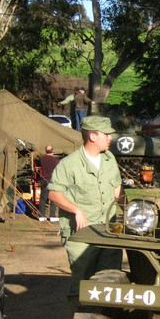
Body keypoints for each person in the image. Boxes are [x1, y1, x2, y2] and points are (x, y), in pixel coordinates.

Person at [47, 116, 123, 303]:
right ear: (93, 136)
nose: (110, 138)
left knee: (110, 283)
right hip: (82, 235)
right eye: (106, 134)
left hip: (108, 231)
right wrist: (76, 210)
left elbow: (117, 189)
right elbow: (54, 194)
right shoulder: (68, 164)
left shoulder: (109, 159)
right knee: (82, 287)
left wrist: (130, 212)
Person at [36, 145, 59, 222]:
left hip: (43, 179)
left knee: (43, 198)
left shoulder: (42, 159)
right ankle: (52, 215)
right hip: (52, 180)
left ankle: (41, 216)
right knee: (53, 199)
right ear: (52, 151)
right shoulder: (55, 161)